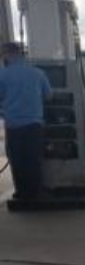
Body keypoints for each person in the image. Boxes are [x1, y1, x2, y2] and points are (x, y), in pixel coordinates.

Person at [0, 42, 52, 202]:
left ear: (7, 54)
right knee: (34, 160)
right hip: (34, 124)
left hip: (13, 125)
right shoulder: (38, 73)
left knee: (17, 161)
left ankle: (22, 193)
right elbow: (49, 95)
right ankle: (37, 193)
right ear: (22, 54)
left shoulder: (2, 75)